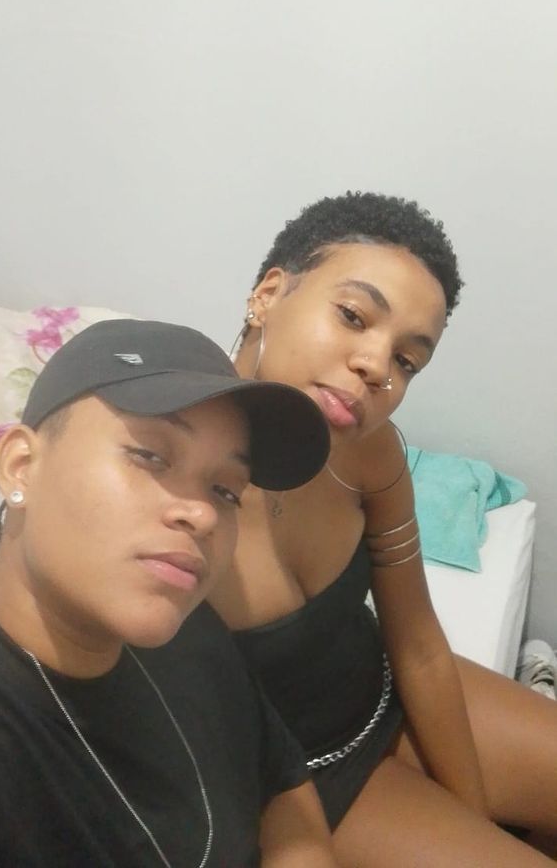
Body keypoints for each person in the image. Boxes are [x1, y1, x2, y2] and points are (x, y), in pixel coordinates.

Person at [208, 191, 557, 866]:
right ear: (268, 294)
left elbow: (419, 646)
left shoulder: (367, 453)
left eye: (406, 361)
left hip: (387, 691)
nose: (377, 367)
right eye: (352, 316)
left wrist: (472, 814)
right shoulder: (175, 480)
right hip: (300, 777)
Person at [0, 318, 337, 868]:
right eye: (150, 456)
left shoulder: (183, 622)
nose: (203, 515)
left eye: (225, 490)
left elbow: (285, 790)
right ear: (21, 466)